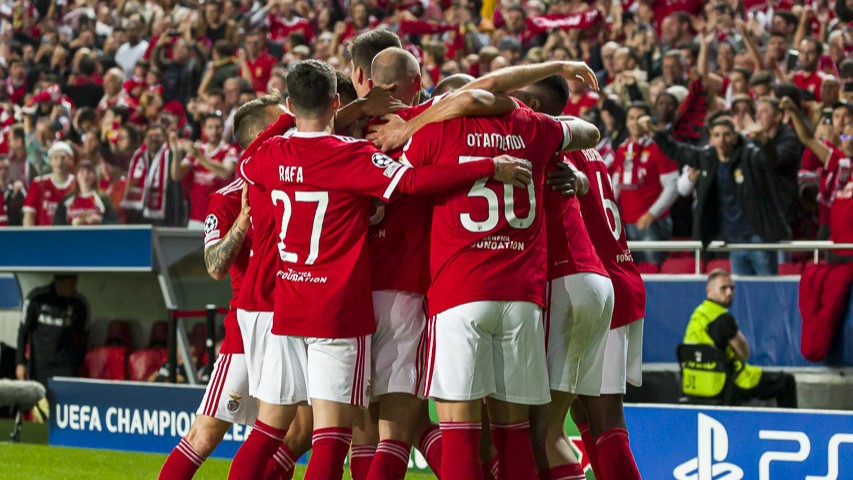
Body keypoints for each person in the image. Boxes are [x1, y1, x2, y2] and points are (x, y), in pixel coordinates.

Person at [227, 60, 532, 479]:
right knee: (333, 438)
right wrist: (488, 166)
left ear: (288, 105)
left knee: (267, 430)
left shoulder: (269, 155)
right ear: (336, 100)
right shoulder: (351, 155)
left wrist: (293, 122)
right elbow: (412, 183)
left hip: (287, 307)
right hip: (336, 311)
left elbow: (247, 156)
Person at [398, 74, 598, 479]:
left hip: (461, 292)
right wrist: (577, 177)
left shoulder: (436, 130)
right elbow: (588, 132)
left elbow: (403, 181)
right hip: (522, 298)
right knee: (514, 433)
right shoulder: (532, 127)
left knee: (460, 432)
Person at [643, 115, 789, 275]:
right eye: (717, 135)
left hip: (758, 237)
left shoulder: (749, 155)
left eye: (726, 134)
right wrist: (655, 132)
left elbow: (770, 160)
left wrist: (763, 138)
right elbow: (677, 151)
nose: (722, 140)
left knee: (768, 291)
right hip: (732, 239)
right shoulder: (707, 158)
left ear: (735, 137)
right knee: (741, 292)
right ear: (711, 138)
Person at [684, 270, 798, 408]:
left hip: (695, 383)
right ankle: (786, 426)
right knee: (786, 382)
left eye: (732, 288)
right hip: (726, 382)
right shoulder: (724, 319)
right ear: (709, 289)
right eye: (723, 288)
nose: (729, 293)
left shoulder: (697, 314)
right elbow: (744, 353)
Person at [612, 102, 679, 264]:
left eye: (640, 118)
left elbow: (673, 185)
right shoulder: (622, 149)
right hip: (626, 223)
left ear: (650, 120)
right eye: (631, 118)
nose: (635, 122)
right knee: (633, 272)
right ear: (626, 122)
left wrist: (652, 213)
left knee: (654, 271)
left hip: (653, 222)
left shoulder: (659, 147)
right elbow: (616, 185)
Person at [16, 275, 89, 387]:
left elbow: (84, 337)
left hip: (65, 367)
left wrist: (77, 364)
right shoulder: (36, 298)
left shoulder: (79, 304)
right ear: (58, 283)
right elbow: (23, 332)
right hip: (39, 366)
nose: (74, 289)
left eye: (75, 285)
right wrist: (20, 363)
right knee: (40, 403)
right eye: (71, 285)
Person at [170, 113, 237, 229]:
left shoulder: (229, 151)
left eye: (217, 127)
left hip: (221, 219)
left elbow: (225, 173)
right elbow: (177, 175)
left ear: (223, 128)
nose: (214, 131)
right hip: (196, 219)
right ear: (204, 129)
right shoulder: (198, 149)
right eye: (210, 128)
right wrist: (176, 154)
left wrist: (199, 156)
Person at [22, 141, 76, 226]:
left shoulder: (77, 183)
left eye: (63, 157)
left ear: (70, 160)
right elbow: (29, 215)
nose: (59, 162)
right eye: (55, 157)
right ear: (50, 161)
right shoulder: (38, 183)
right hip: (42, 236)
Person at [52, 161, 120, 225]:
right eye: (82, 172)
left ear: (94, 177)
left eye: (89, 172)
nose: (85, 176)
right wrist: (73, 224)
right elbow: (57, 224)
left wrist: (100, 221)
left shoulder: (103, 199)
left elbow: (114, 222)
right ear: (76, 176)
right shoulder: (67, 199)